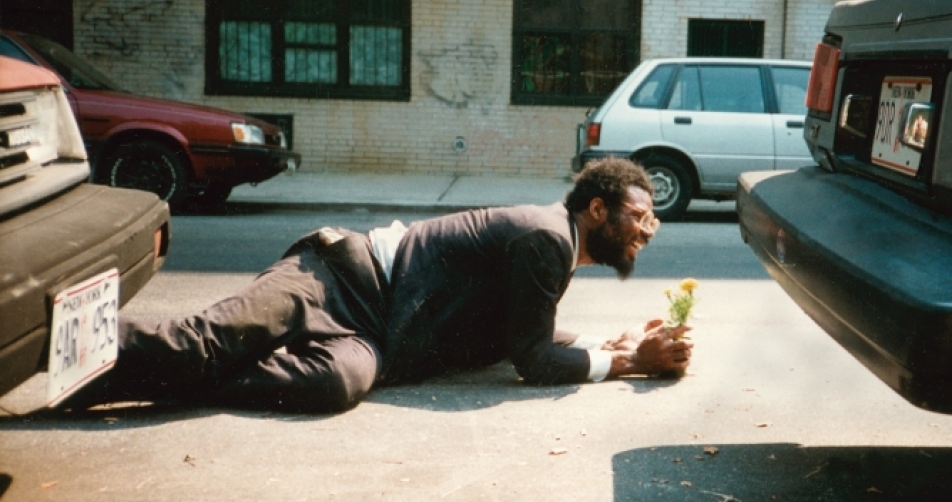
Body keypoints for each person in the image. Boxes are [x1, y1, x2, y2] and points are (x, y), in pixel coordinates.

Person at [67, 158, 693, 413]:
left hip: (372, 332)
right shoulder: (547, 237)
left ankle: (124, 376)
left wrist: (610, 343)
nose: (650, 229)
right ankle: (61, 343)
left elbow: (520, 328)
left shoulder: (555, 245)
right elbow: (531, 358)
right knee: (204, 343)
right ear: (596, 211)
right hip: (336, 278)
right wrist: (628, 364)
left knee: (339, 383)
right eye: (640, 216)